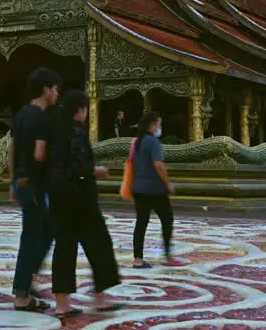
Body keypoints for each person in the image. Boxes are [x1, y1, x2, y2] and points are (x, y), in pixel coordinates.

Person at [47, 90, 122, 317]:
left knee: (64, 248)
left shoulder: (56, 131)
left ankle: (62, 304)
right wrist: (94, 171)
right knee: (99, 244)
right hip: (80, 197)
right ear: (79, 110)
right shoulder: (76, 131)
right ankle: (100, 297)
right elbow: (75, 166)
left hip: (59, 197)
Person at [10, 68, 60, 310]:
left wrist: (13, 180)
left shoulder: (20, 115)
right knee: (31, 237)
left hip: (22, 182)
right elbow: (39, 154)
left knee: (47, 229)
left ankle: (26, 280)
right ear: (46, 89)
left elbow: (11, 149)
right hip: (35, 184)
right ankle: (22, 293)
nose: (57, 93)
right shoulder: (42, 118)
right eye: (55, 88)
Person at [129, 110, 183, 269]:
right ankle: (167, 256)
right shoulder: (153, 142)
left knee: (141, 223)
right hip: (154, 188)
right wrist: (167, 183)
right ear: (152, 125)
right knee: (167, 219)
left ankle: (137, 259)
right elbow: (158, 165)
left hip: (138, 187)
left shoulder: (136, 141)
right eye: (159, 124)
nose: (160, 127)